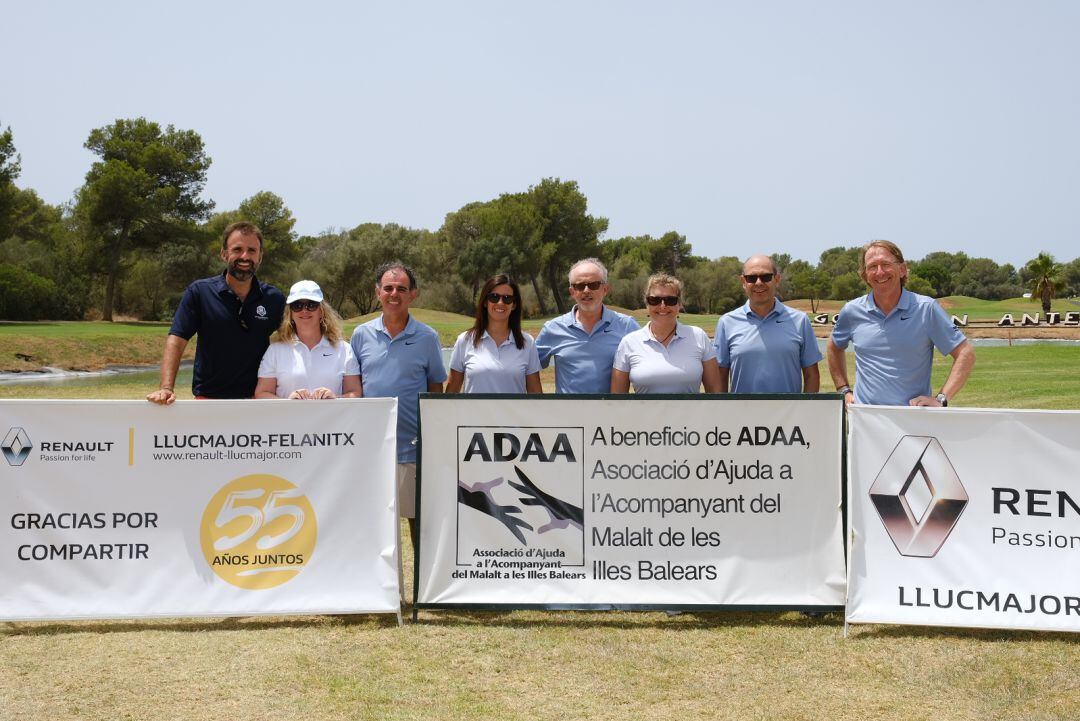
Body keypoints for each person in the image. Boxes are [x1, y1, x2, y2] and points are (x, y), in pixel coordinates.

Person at [350, 262, 447, 549]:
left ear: (413, 294)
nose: (394, 294)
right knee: (377, 523)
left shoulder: (427, 337)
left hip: (412, 446)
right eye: (388, 288)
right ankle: (386, 591)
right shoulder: (360, 335)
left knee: (418, 520)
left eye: (401, 289)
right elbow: (353, 386)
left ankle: (421, 590)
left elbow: (435, 387)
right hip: (372, 446)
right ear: (378, 292)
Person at [147, 221, 285, 404]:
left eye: (252, 250)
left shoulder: (274, 298)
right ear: (223, 254)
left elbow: (295, 341)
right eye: (237, 249)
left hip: (258, 400)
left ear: (260, 256)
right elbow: (177, 340)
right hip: (209, 401)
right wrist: (166, 388)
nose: (245, 256)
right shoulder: (199, 292)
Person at [827, 239, 975, 406]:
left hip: (912, 419)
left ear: (902, 269)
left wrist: (941, 399)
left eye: (886, 264)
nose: (880, 272)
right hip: (865, 419)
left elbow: (965, 353)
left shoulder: (926, 309)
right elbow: (834, 347)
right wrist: (844, 390)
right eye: (872, 266)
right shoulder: (851, 311)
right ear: (865, 275)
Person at [714, 254, 822, 393]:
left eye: (766, 277)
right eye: (751, 278)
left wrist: (805, 411)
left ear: (777, 280)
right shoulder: (727, 322)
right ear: (743, 281)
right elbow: (720, 376)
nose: (759, 282)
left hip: (789, 413)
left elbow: (812, 375)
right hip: (742, 413)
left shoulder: (800, 321)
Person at [535, 258, 639, 394]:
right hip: (567, 414)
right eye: (579, 286)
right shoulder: (553, 328)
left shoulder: (626, 326)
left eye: (593, 285)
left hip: (612, 413)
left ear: (605, 289)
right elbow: (527, 367)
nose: (586, 290)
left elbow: (648, 366)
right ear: (572, 292)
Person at [611, 273, 722, 394]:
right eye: (655, 300)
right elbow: (618, 399)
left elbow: (715, 393)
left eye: (670, 300)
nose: (663, 306)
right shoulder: (629, 342)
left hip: (691, 413)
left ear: (679, 304)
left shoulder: (699, 337)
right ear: (646, 303)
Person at [254, 280, 361, 400]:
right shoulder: (275, 350)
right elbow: (262, 393)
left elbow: (355, 392)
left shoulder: (344, 349)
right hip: (288, 418)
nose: (304, 310)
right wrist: (287, 401)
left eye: (311, 305)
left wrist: (335, 398)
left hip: (332, 419)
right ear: (291, 313)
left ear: (321, 311)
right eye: (297, 305)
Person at [446, 274, 542, 394]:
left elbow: (535, 394)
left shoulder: (527, 343)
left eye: (507, 298)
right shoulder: (464, 341)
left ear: (514, 305)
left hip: (514, 414)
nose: (500, 303)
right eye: (494, 297)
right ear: (485, 302)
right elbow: (451, 394)